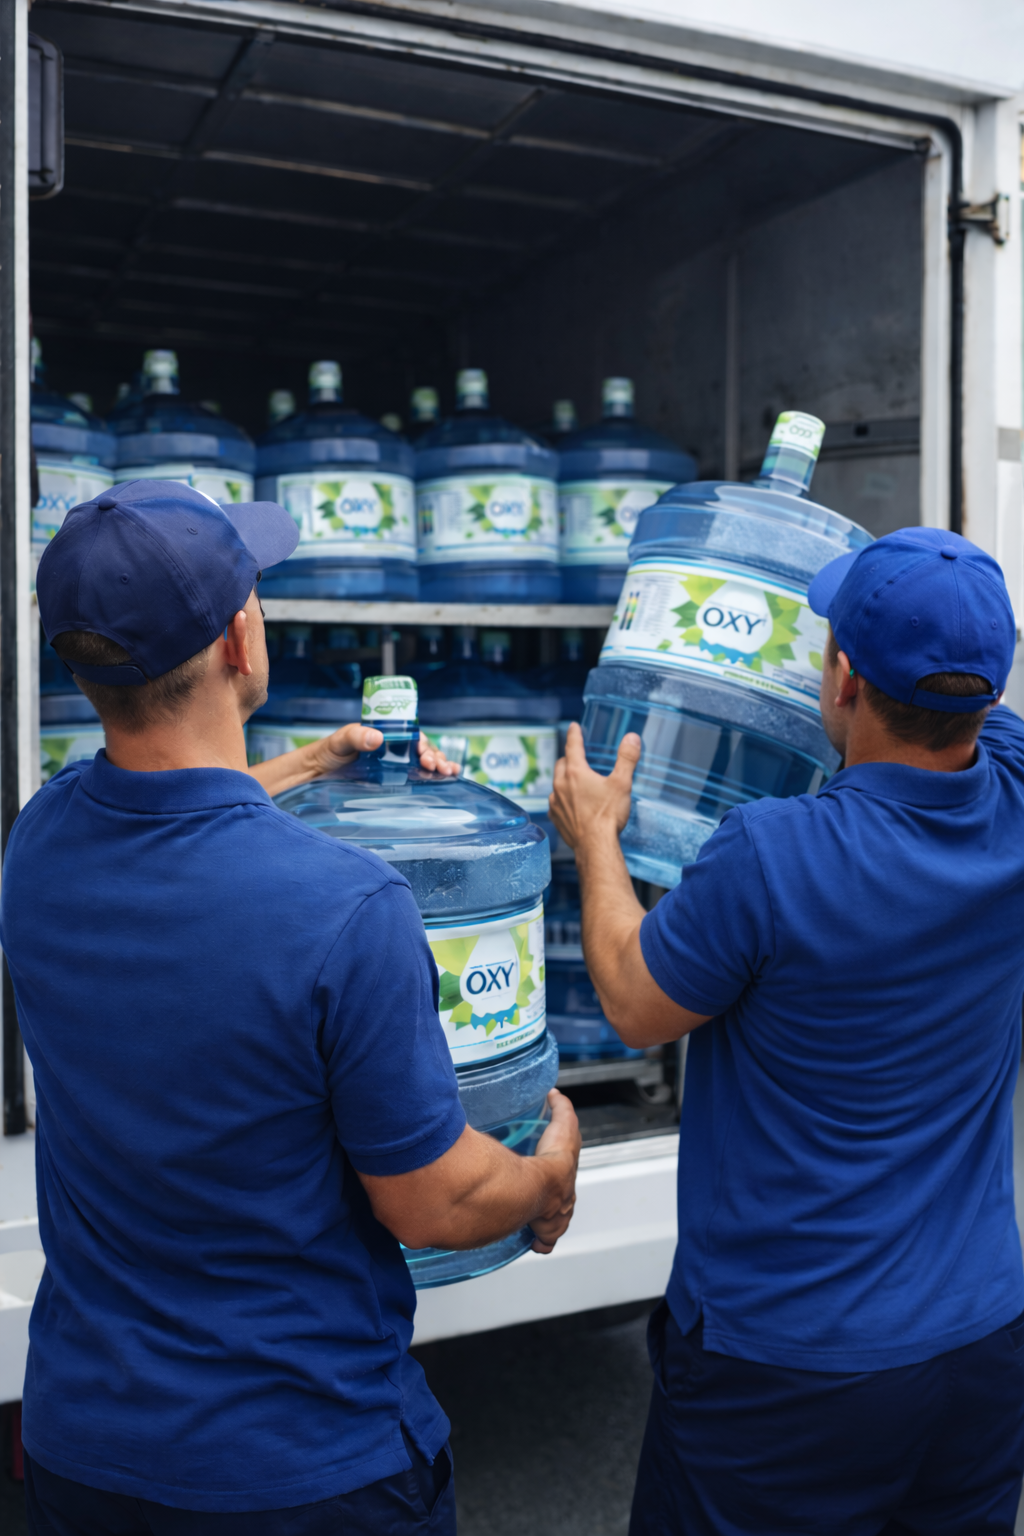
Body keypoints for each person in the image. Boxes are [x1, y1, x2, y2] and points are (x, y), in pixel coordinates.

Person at [2, 480, 580, 1536]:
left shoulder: (38, 847)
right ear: (239, 637)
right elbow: (434, 1204)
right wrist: (544, 1181)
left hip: (86, 1451)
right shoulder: (346, 908)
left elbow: (172, 814)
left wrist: (320, 761)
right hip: (301, 1467)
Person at [548, 525, 1024, 1535]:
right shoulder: (1015, 798)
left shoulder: (772, 854)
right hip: (978, 1343)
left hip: (786, 1365)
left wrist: (595, 835)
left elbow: (634, 1001)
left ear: (842, 676)